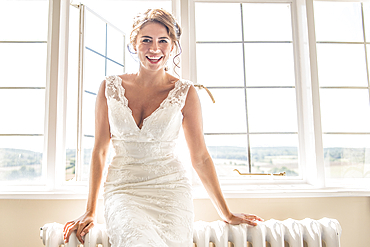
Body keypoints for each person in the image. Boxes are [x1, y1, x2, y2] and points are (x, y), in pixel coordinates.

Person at [63, 8, 263, 247]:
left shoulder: (185, 93)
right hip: (123, 191)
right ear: (134, 43)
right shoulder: (109, 88)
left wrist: (226, 213)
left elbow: (200, 157)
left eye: (163, 41)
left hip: (171, 192)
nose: (154, 49)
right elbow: (99, 151)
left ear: (172, 45)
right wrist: (90, 211)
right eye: (146, 40)